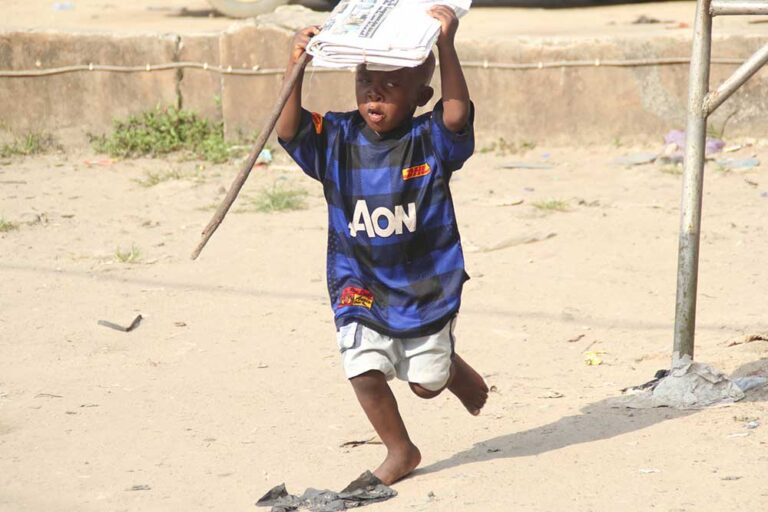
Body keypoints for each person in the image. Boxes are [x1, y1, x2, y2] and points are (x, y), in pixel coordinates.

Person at [275, 4, 488, 486]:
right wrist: (297, 63)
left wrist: (446, 46)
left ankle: (448, 371)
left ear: (421, 94)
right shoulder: (338, 137)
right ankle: (400, 449)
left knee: (425, 384)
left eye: (392, 84)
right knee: (363, 368)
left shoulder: (429, 139)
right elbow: (288, 130)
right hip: (358, 280)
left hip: (425, 286)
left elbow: (456, 116)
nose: (374, 91)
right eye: (366, 80)